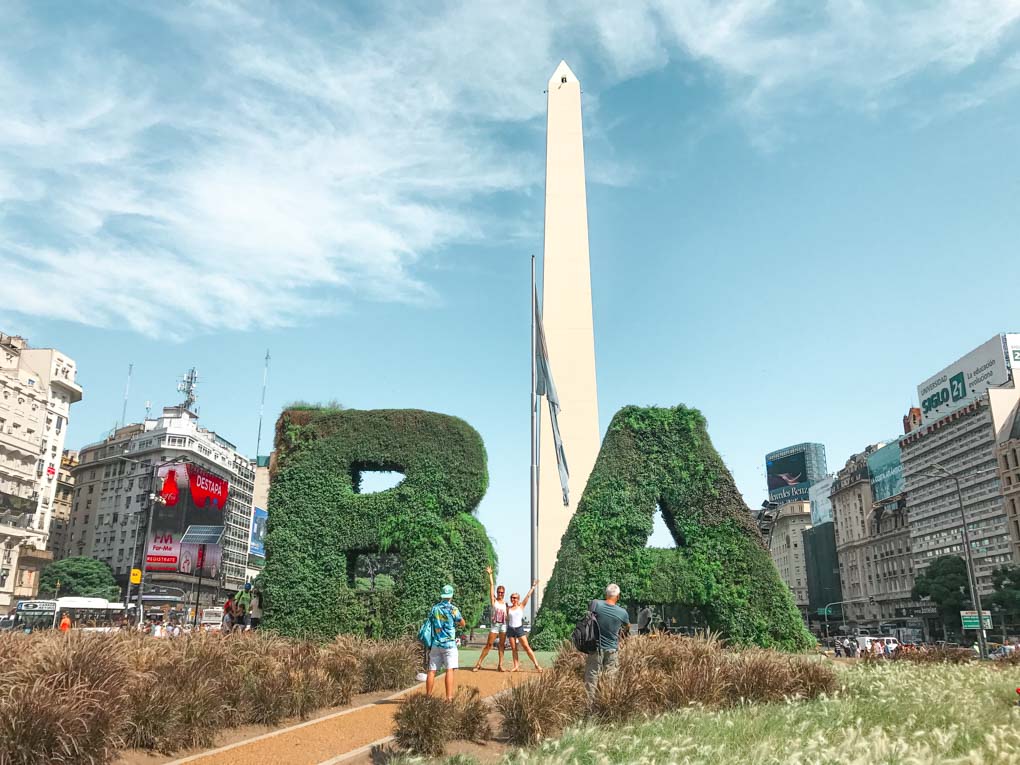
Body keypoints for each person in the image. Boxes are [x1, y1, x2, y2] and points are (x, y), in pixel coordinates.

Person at [585, 583, 630, 694]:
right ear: (618, 596)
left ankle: (590, 702)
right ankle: (606, 701)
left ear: (606, 594)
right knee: (610, 679)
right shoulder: (622, 613)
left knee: (592, 676)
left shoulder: (596, 604)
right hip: (611, 650)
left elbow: (588, 617)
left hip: (595, 648)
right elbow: (627, 627)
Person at [425, 584, 466, 701]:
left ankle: (428, 697)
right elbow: (463, 623)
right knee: (449, 670)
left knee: (432, 670)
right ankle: (449, 698)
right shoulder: (453, 609)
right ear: (451, 596)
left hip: (436, 643)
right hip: (449, 644)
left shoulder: (435, 608)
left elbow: (431, 621)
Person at [473, 566, 508, 672]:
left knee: (501, 645)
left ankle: (500, 665)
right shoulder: (494, 601)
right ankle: (478, 664)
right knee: (489, 645)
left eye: (502, 592)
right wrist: (490, 574)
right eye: (499, 592)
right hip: (495, 626)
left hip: (503, 626)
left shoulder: (505, 604)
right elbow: (491, 586)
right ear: (497, 592)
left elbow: (507, 615)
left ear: (504, 593)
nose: (500, 594)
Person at [506, 580, 543, 673]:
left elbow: (528, 596)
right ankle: (516, 666)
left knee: (526, 647)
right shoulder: (508, 608)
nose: (513, 599)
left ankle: (537, 665)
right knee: (514, 649)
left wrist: (533, 586)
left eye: (515, 598)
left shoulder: (521, 606)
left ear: (518, 599)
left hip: (519, 629)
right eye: (512, 597)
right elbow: (506, 618)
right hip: (510, 629)